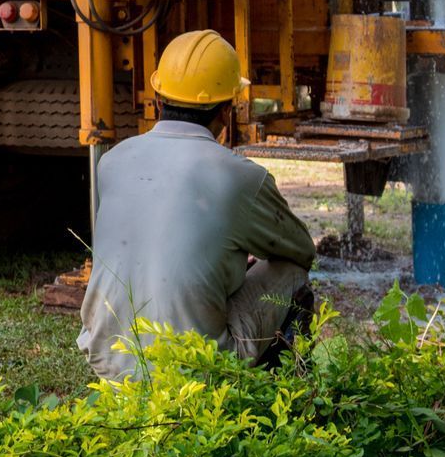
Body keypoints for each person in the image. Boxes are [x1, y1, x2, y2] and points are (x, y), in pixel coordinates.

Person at [78, 29, 317, 380]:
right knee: (291, 272)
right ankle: (279, 398)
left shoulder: (112, 161)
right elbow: (301, 250)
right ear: (227, 110)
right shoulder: (241, 177)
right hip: (196, 373)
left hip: (110, 365)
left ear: (158, 100)